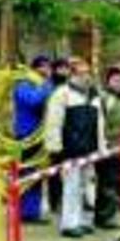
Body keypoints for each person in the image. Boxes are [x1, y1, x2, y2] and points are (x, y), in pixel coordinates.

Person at [44, 57, 105, 238]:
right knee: (71, 185)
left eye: (88, 73)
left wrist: (101, 145)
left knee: (88, 186)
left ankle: (85, 220)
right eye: (82, 73)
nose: (86, 76)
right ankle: (69, 224)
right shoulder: (62, 94)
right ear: (72, 74)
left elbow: (99, 122)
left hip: (90, 148)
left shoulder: (94, 95)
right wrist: (55, 146)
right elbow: (54, 121)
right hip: (71, 147)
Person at [13, 55, 54, 223]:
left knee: (36, 173)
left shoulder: (44, 86)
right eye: (42, 67)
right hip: (26, 134)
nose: (46, 70)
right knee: (28, 172)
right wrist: (45, 86)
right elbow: (33, 101)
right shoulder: (23, 86)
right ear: (34, 69)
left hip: (39, 133)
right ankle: (24, 212)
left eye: (48, 67)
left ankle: (33, 211)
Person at [95, 66, 120, 229]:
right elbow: (99, 124)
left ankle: (117, 212)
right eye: (115, 80)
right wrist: (102, 146)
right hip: (109, 147)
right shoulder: (104, 99)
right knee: (107, 183)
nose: (119, 83)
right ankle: (104, 217)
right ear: (108, 81)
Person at [46, 57, 71, 215]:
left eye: (65, 68)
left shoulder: (69, 88)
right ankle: (54, 201)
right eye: (60, 68)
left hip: (69, 134)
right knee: (54, 170)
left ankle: (64, 200)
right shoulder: (49, 88)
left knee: (68, 170)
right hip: (55, 134)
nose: (63, 71)